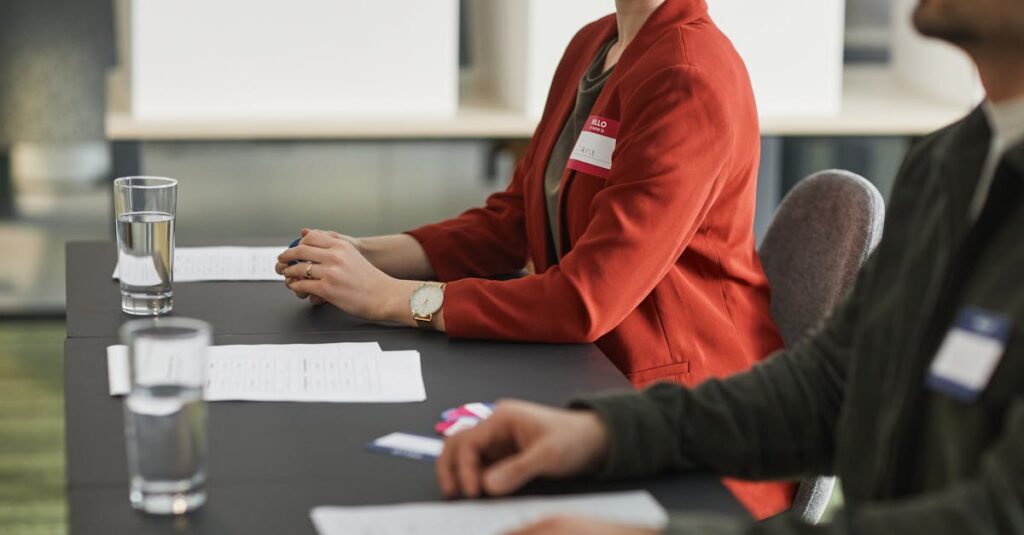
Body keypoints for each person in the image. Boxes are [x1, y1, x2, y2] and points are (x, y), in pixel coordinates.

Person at [434, 0, 1024, 533]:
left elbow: (995, 517)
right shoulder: (947, 162)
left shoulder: (689, 70)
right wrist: (604, 432)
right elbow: (831, 387)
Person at [277, 0, 792, 519]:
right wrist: (365, 255)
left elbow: (584, 299)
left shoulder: (689, 77)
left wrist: (388, 297)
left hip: (683, 429)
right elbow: (513, 220)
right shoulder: (595, 44)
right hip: (580, 376)